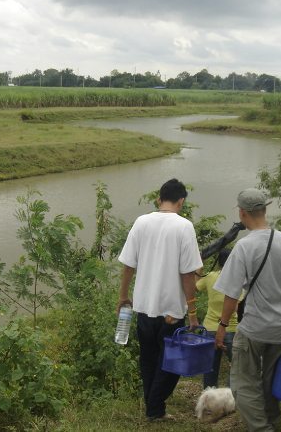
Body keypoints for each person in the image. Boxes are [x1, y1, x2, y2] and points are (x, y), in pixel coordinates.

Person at [213, 188, 281, 431]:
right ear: (264, 209)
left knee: (243, 384)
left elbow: (232, 294)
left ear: (242, 213)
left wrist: (222, 327)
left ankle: (261, 428)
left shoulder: (244, 247)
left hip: (254, 328)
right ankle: (271, 421)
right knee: (270, 381)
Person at [117, 178, 203, 422]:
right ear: (181, 201)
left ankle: (154, 409)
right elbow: (188, 274)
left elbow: (128, 265)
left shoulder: (141, 222)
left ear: (159, 199)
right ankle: (155, 407)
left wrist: (123, 296)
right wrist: (193, 312)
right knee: (172, 363)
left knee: (148, 359)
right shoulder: (184, 226)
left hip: (143, 307)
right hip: (171, 311)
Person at [196, 248, 240, 388]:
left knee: (210, 367)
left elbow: (195, 286)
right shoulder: (238, 280)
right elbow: (236, 306)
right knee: (236, 367)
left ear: (219, 262)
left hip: (209, 327)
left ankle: (209, 399)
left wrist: (199, 266)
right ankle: (228, 399)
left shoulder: (210, 277)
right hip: (231, 328)